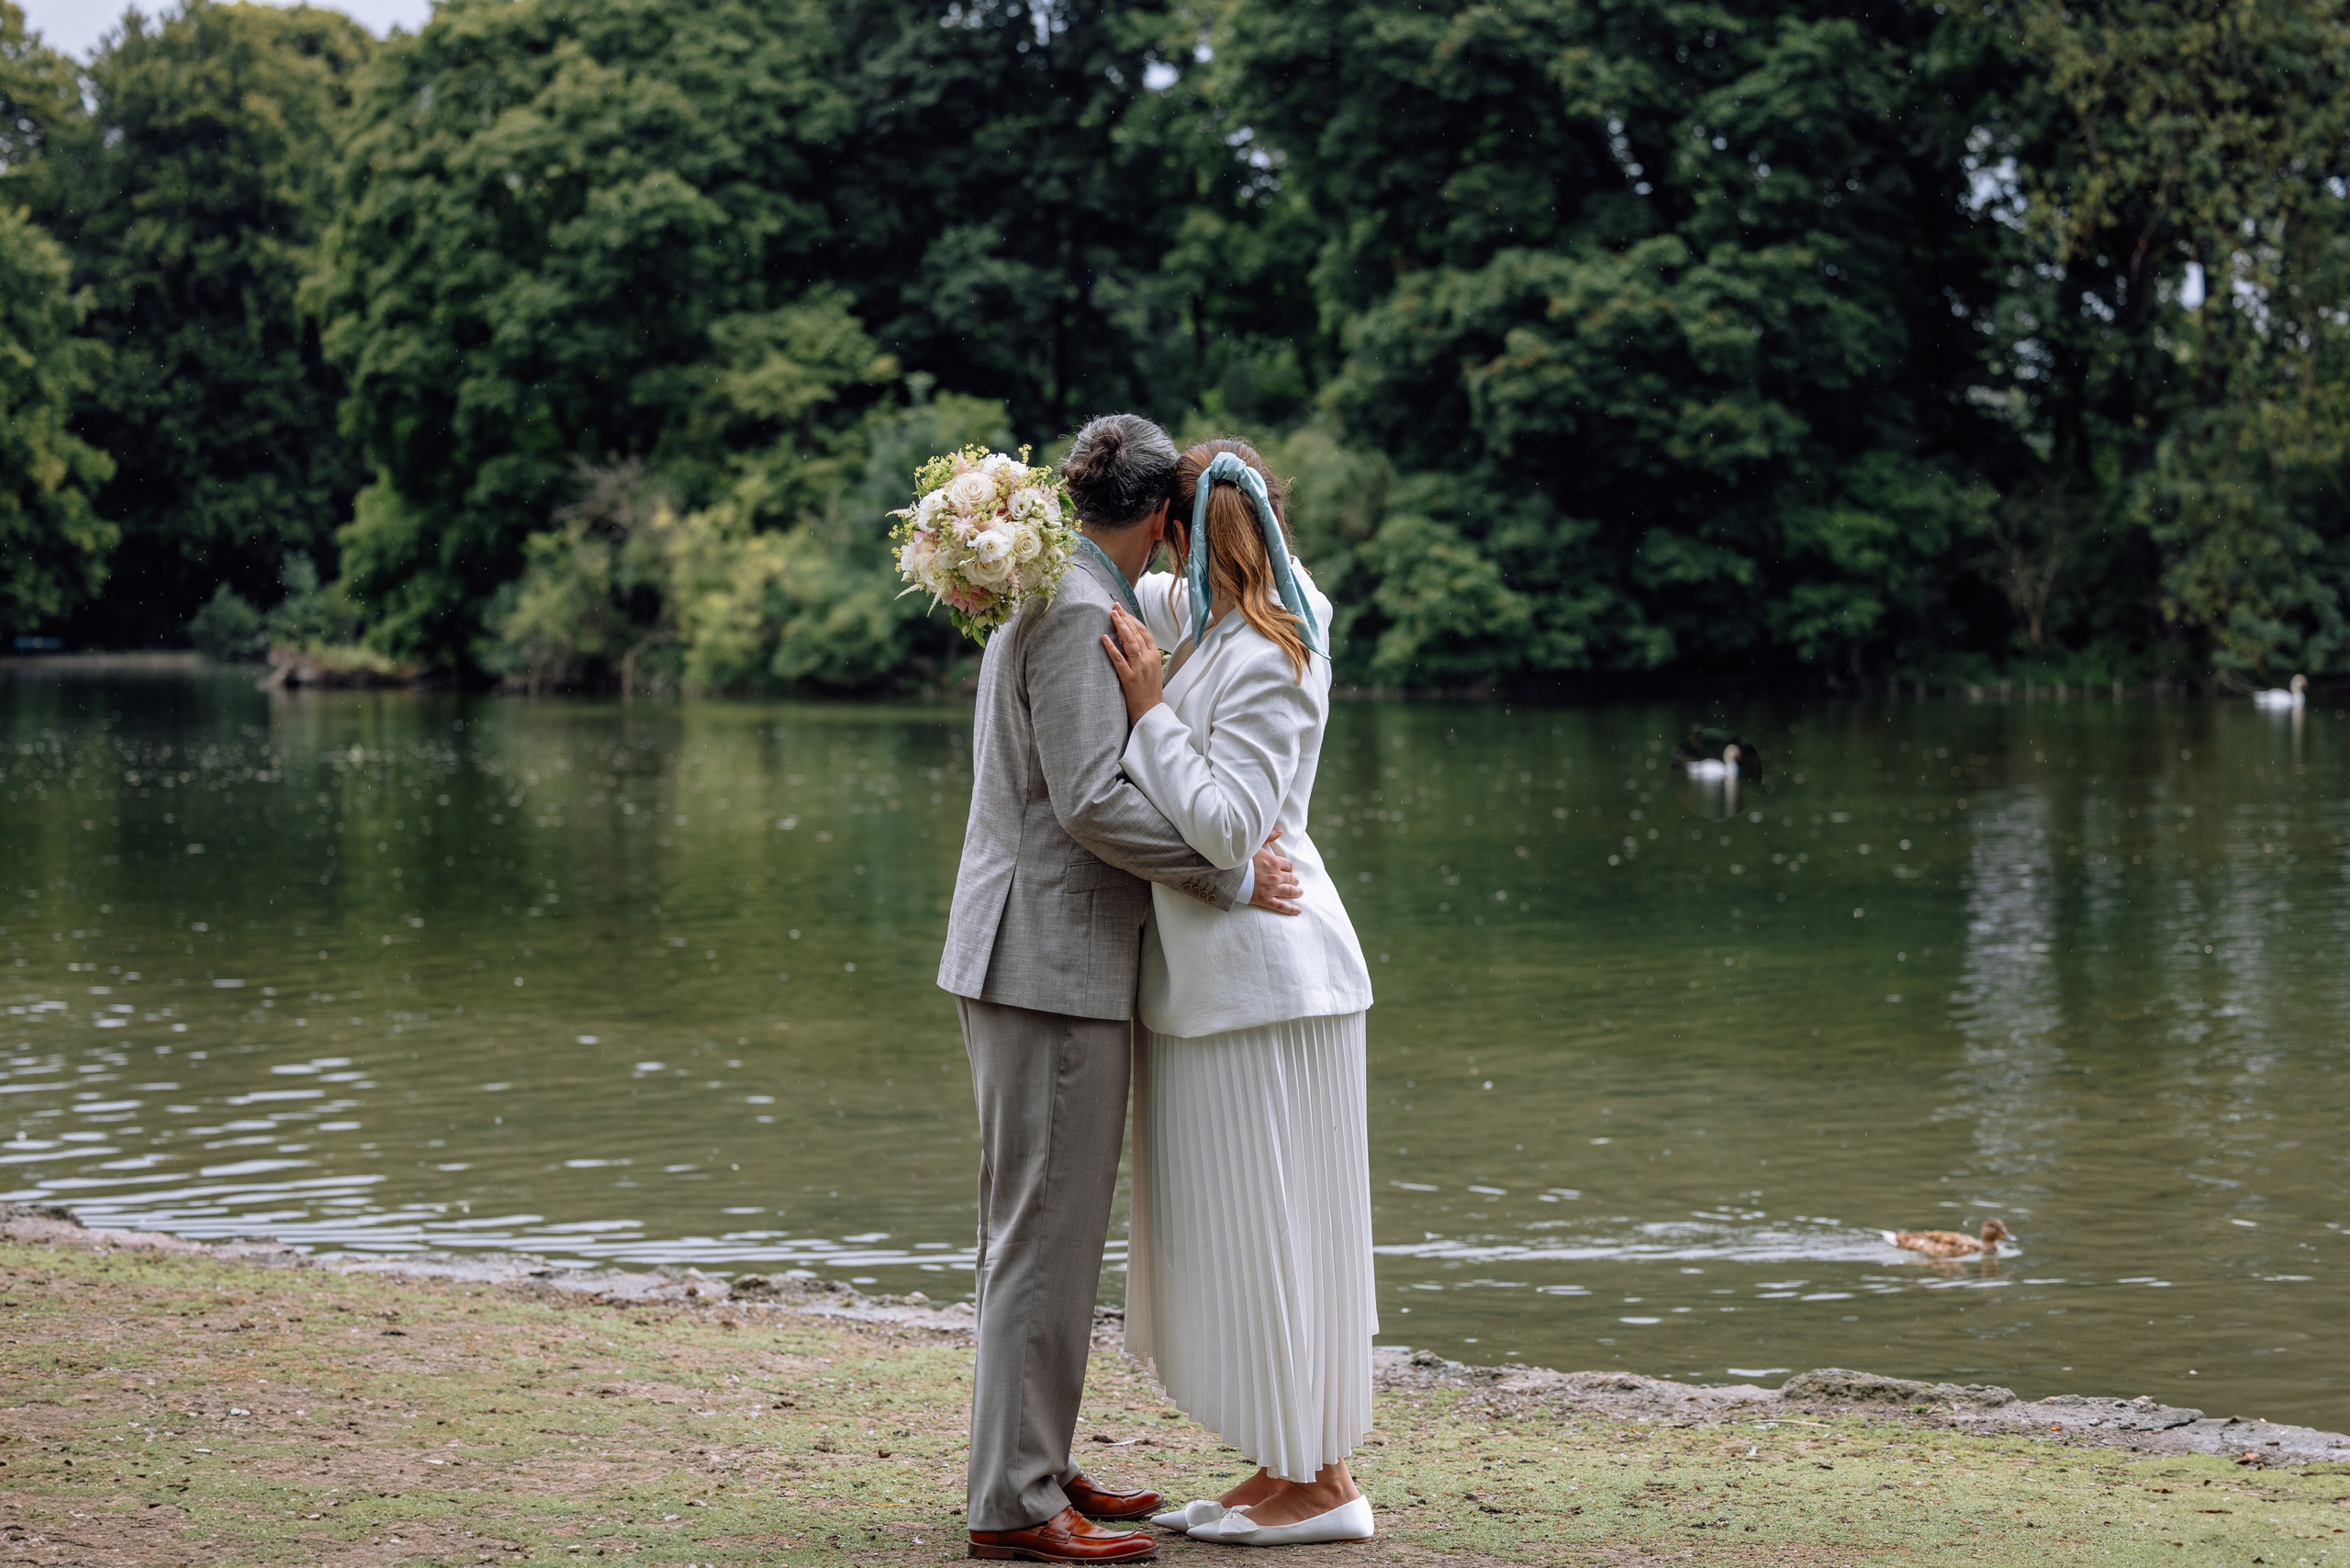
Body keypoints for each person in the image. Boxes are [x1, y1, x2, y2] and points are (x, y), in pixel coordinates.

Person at [939, 414, 1304, 1564]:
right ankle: (1014, 1499)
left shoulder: (1061, 588)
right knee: (1044, 1230)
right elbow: (1091, 801)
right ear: (1157, 518)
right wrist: (1228, 869)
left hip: (1028, 951)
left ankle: (1033, 1460)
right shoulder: (1082, 608)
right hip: (1045, 959)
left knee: (1039, 1226)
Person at [1098, 438, 1379, 1546]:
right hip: (1226, 987)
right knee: (1262, 1232)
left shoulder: (1269, 645)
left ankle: (1324, 1487)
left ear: (1190, 531)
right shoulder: (1219, 617)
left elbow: (1226, 827)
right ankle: (1291, 1462)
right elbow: (1112, 574)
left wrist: (1151, 714)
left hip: (1265, 983)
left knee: (1274, 1232)